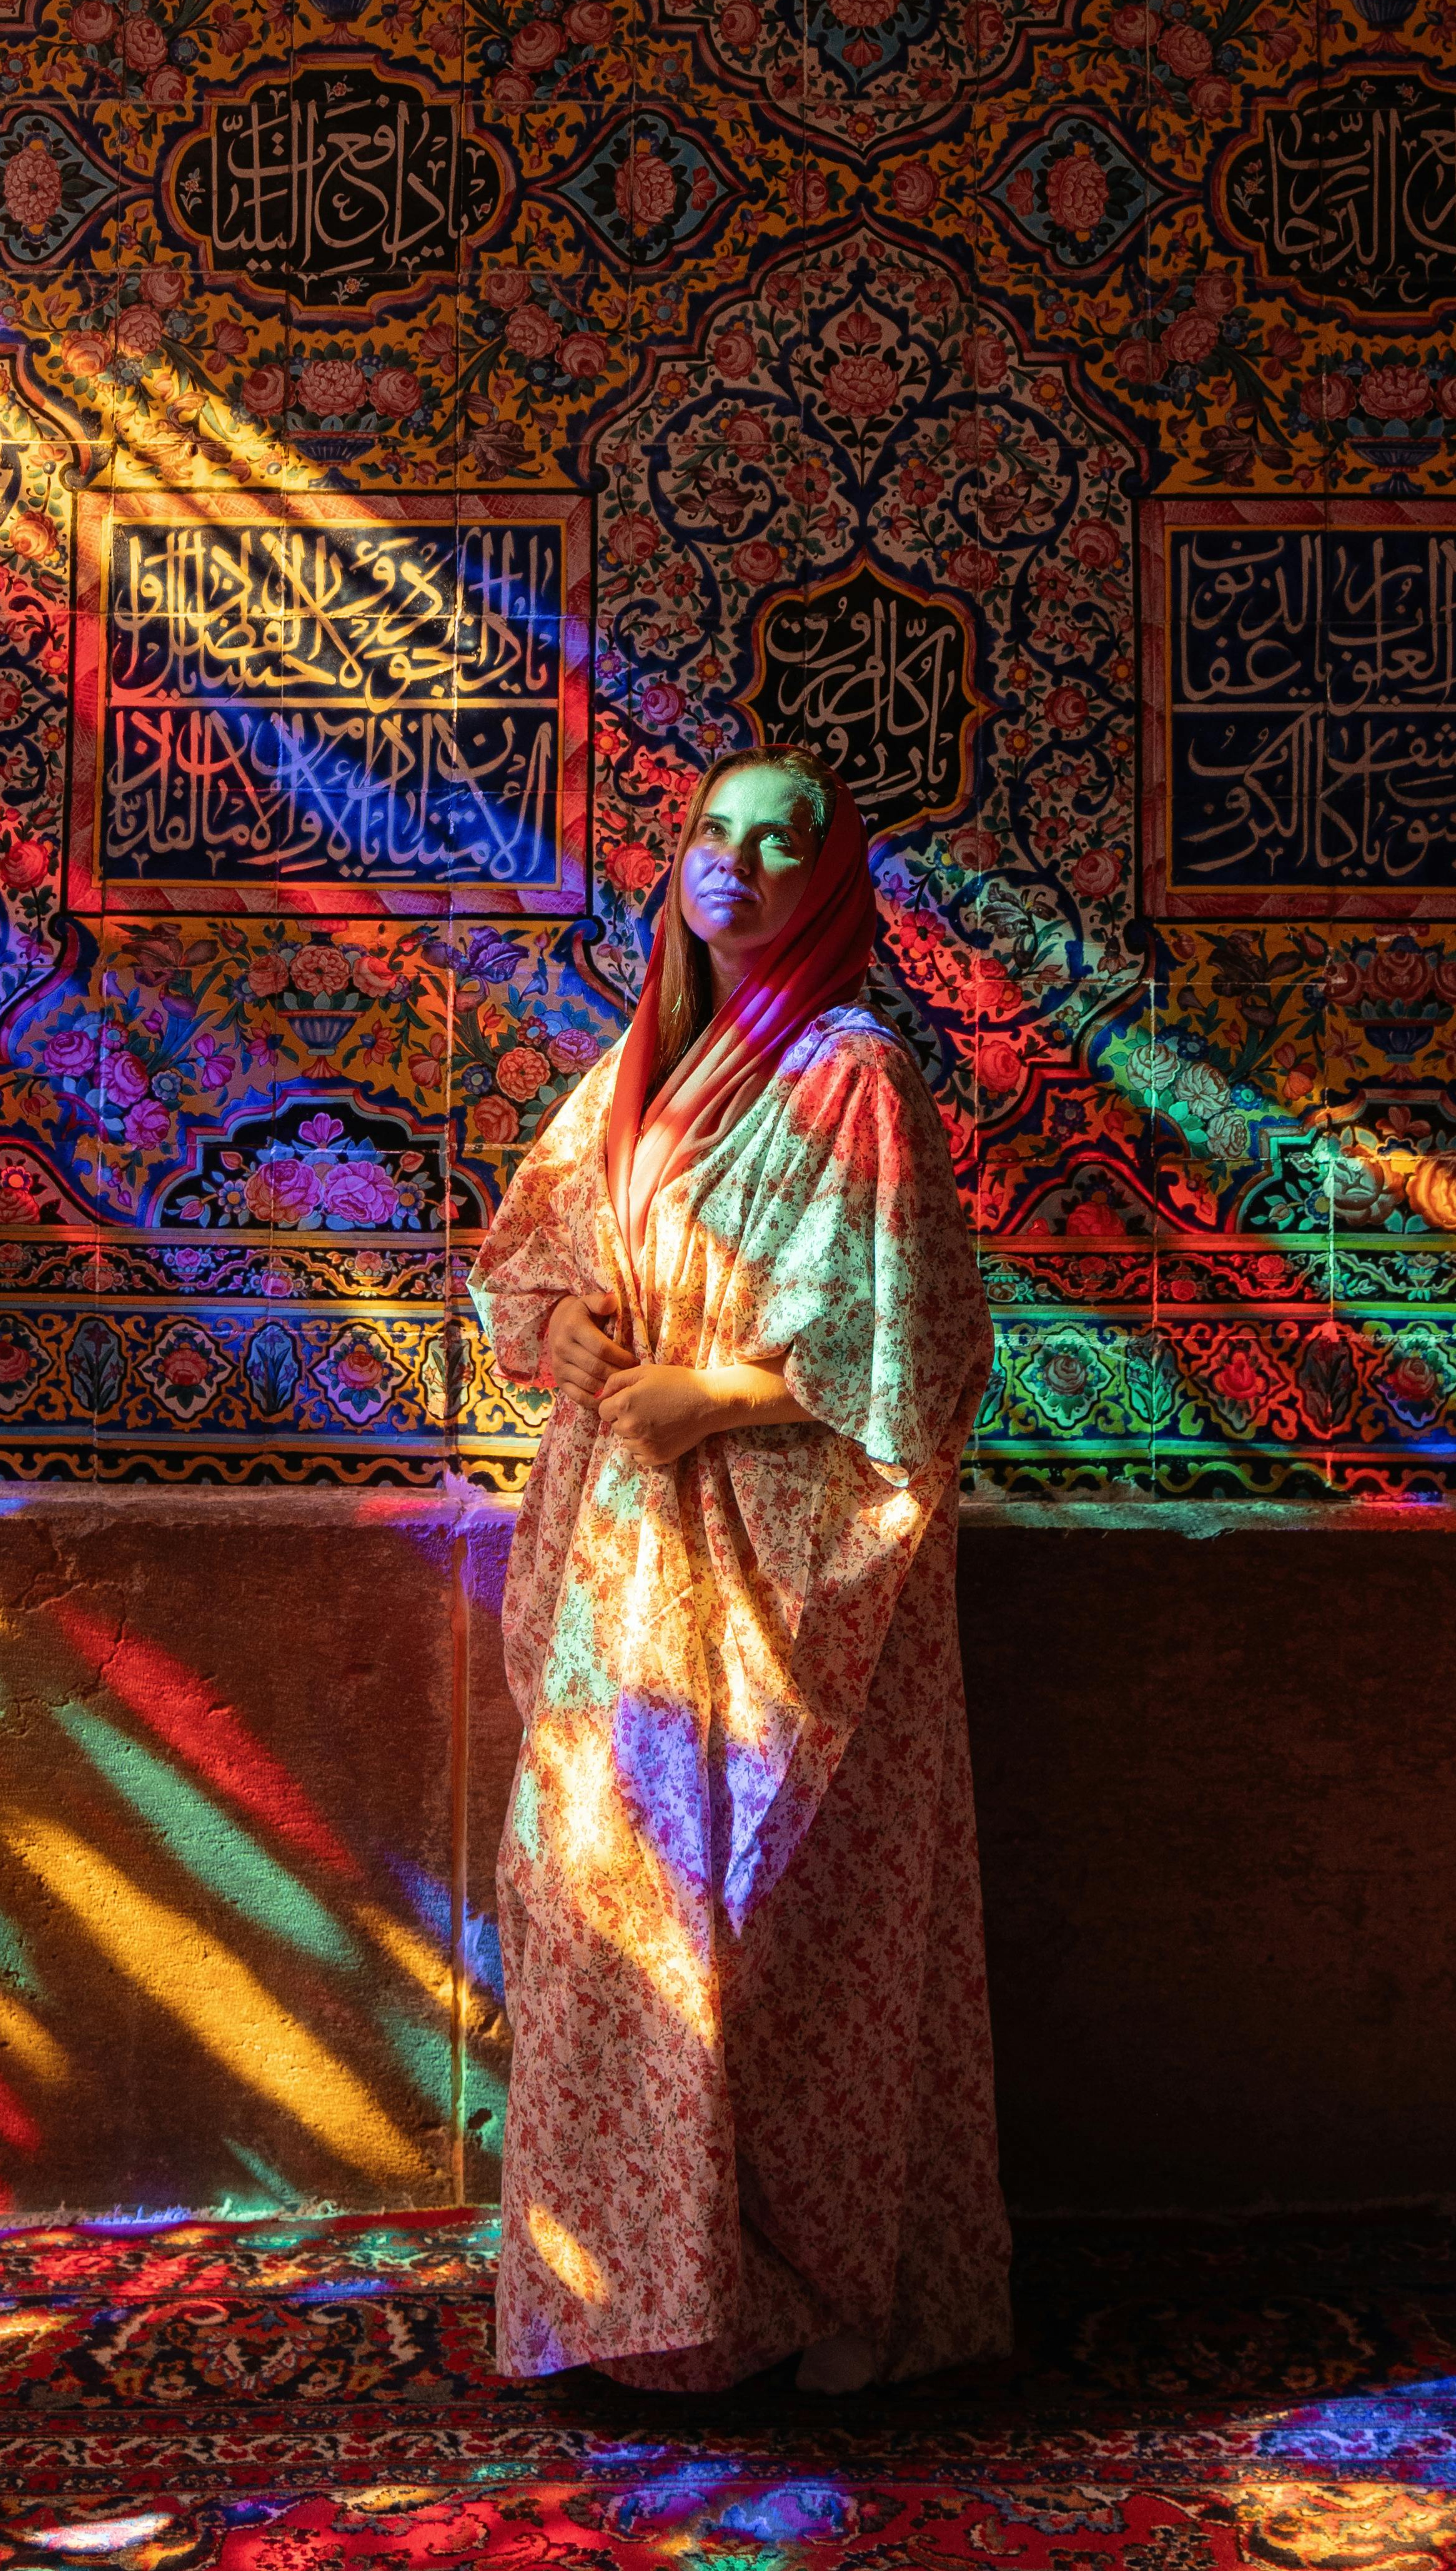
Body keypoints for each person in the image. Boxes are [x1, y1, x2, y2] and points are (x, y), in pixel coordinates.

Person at [468, 743, 1011, 2395]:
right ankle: (643, 2313)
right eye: (715, 831)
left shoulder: (852, 1082)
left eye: (785, 844)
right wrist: (567, 1328)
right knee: (606, 1903)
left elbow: (915, 1337)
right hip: (622, 1574)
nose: (738, 865)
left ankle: (807, 2297)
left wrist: (716, 1391)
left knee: (775, 1919)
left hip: (780, 1567)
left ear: (831, 888)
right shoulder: (641, 1074)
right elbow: (524, 1264)